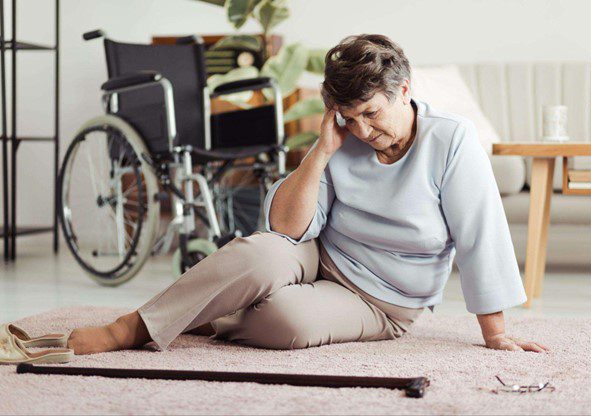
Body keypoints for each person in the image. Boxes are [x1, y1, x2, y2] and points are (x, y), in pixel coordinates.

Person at [68, 34, 549, 355]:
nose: (362, 130)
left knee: (286, 323)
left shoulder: (451, 140)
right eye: (348, 116)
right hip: (319, 253)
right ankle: (130, 327)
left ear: (403, 90)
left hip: (384, 300)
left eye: (372, 113)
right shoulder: (341, 137)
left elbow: (480, 236)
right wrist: (321, 151)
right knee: (259, 254)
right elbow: (286, 230)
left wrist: (497, 333)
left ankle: (207, 311)